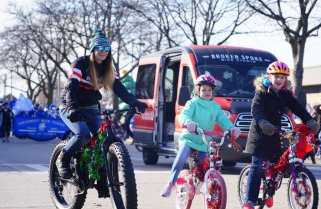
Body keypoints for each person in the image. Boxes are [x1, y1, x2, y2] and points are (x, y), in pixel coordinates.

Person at [57, 29, 147, 197]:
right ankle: (63, 159)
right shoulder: (80, 64)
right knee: (82, 134)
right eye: (100, 47)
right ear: (93, 49)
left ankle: (102, 179)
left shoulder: (108, 69)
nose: (103, 51)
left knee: (103, 139)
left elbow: (120, 89)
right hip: (69, 105)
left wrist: (134, 102)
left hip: (91, 106)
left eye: (106, 48)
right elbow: (71, 87)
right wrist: (72, 107)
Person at [243, 61, 319, 209]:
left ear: (286, 79)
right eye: (276, 76)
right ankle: (249, 201)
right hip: (259, 134)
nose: (279, 80)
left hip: (275, 133)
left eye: (282, 77)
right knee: (257, 166)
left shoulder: (285, 94)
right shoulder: (261, 92)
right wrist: (263, 123)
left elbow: (297, 108)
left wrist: (309, 120)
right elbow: (256, 110)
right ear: (269, 76)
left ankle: (269, 191)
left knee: (278, 166)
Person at [160, 74, 241, 197]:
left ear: (213, 91)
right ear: (198, 90)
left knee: (206, 167)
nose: (207, 92)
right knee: (181, 158)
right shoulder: (192, 103)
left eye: (209, 90)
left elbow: (223, 120)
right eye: (204, 90)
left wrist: (232, 128)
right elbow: (184, 115)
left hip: (204, 142)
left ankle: (200, 190)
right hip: (189, 139)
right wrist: (188, 123)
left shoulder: (215, 107)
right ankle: (170, 183)